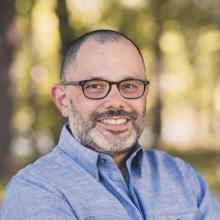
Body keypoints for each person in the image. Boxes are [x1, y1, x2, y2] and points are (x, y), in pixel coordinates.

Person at [1, 30, 220, 220]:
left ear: (145, 94)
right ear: (63, 100)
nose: (116, 101)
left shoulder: (181, 175)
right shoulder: (35, 191)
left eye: (130, 85)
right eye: (95, 86)